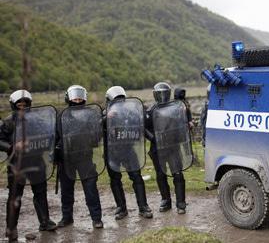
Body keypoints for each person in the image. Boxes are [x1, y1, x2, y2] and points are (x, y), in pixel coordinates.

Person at [0, 90, 57, 241]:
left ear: (30, 104)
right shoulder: (8, 121)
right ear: (13, 105)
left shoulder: (37, 119)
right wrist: (12, 147)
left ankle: (45, 221)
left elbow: (49, 134)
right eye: (19, 104)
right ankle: (11, 228)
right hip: (16, 164)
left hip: (36, 160)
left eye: (25, 104)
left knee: (40, 192)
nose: (22, 107)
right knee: (15, 196)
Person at [56, 85, 103, 229]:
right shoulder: (62, 115)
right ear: (69, 98)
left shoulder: (90, 114)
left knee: (90, 188)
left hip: (84, 157)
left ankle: (96, 219)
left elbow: (97, 135)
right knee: (66, 190)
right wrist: (57, 150)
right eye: (75, 98)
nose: (77, 100)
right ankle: (67, 217)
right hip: (66, 159)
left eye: (80, 98)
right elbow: (56, 136)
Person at [104, 86, 153, 220]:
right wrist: (105, 118)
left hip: (129, 149)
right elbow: (95, 128)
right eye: (116, 100)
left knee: (137, 177)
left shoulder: (130, 112)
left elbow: (141, 124)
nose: (119, 102)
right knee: (115, 179)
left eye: (121, 100)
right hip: (112, 152)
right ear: (109, 101)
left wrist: (153, 138)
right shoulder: (104, 114)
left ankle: (143, 207)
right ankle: (121, 208)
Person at [145, 82, 187, 214]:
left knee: (178, 174)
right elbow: (144, 128)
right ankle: (165, 200)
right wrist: (153, 138)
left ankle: (181, 202)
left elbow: (181, 126)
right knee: (160, 174)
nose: (162, 96)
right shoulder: (151, 110)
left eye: (164, 93)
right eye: (160, 93)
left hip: (173, 147)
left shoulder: (175, 109)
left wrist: (180, 138)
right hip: (157, 149)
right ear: (155, 95)